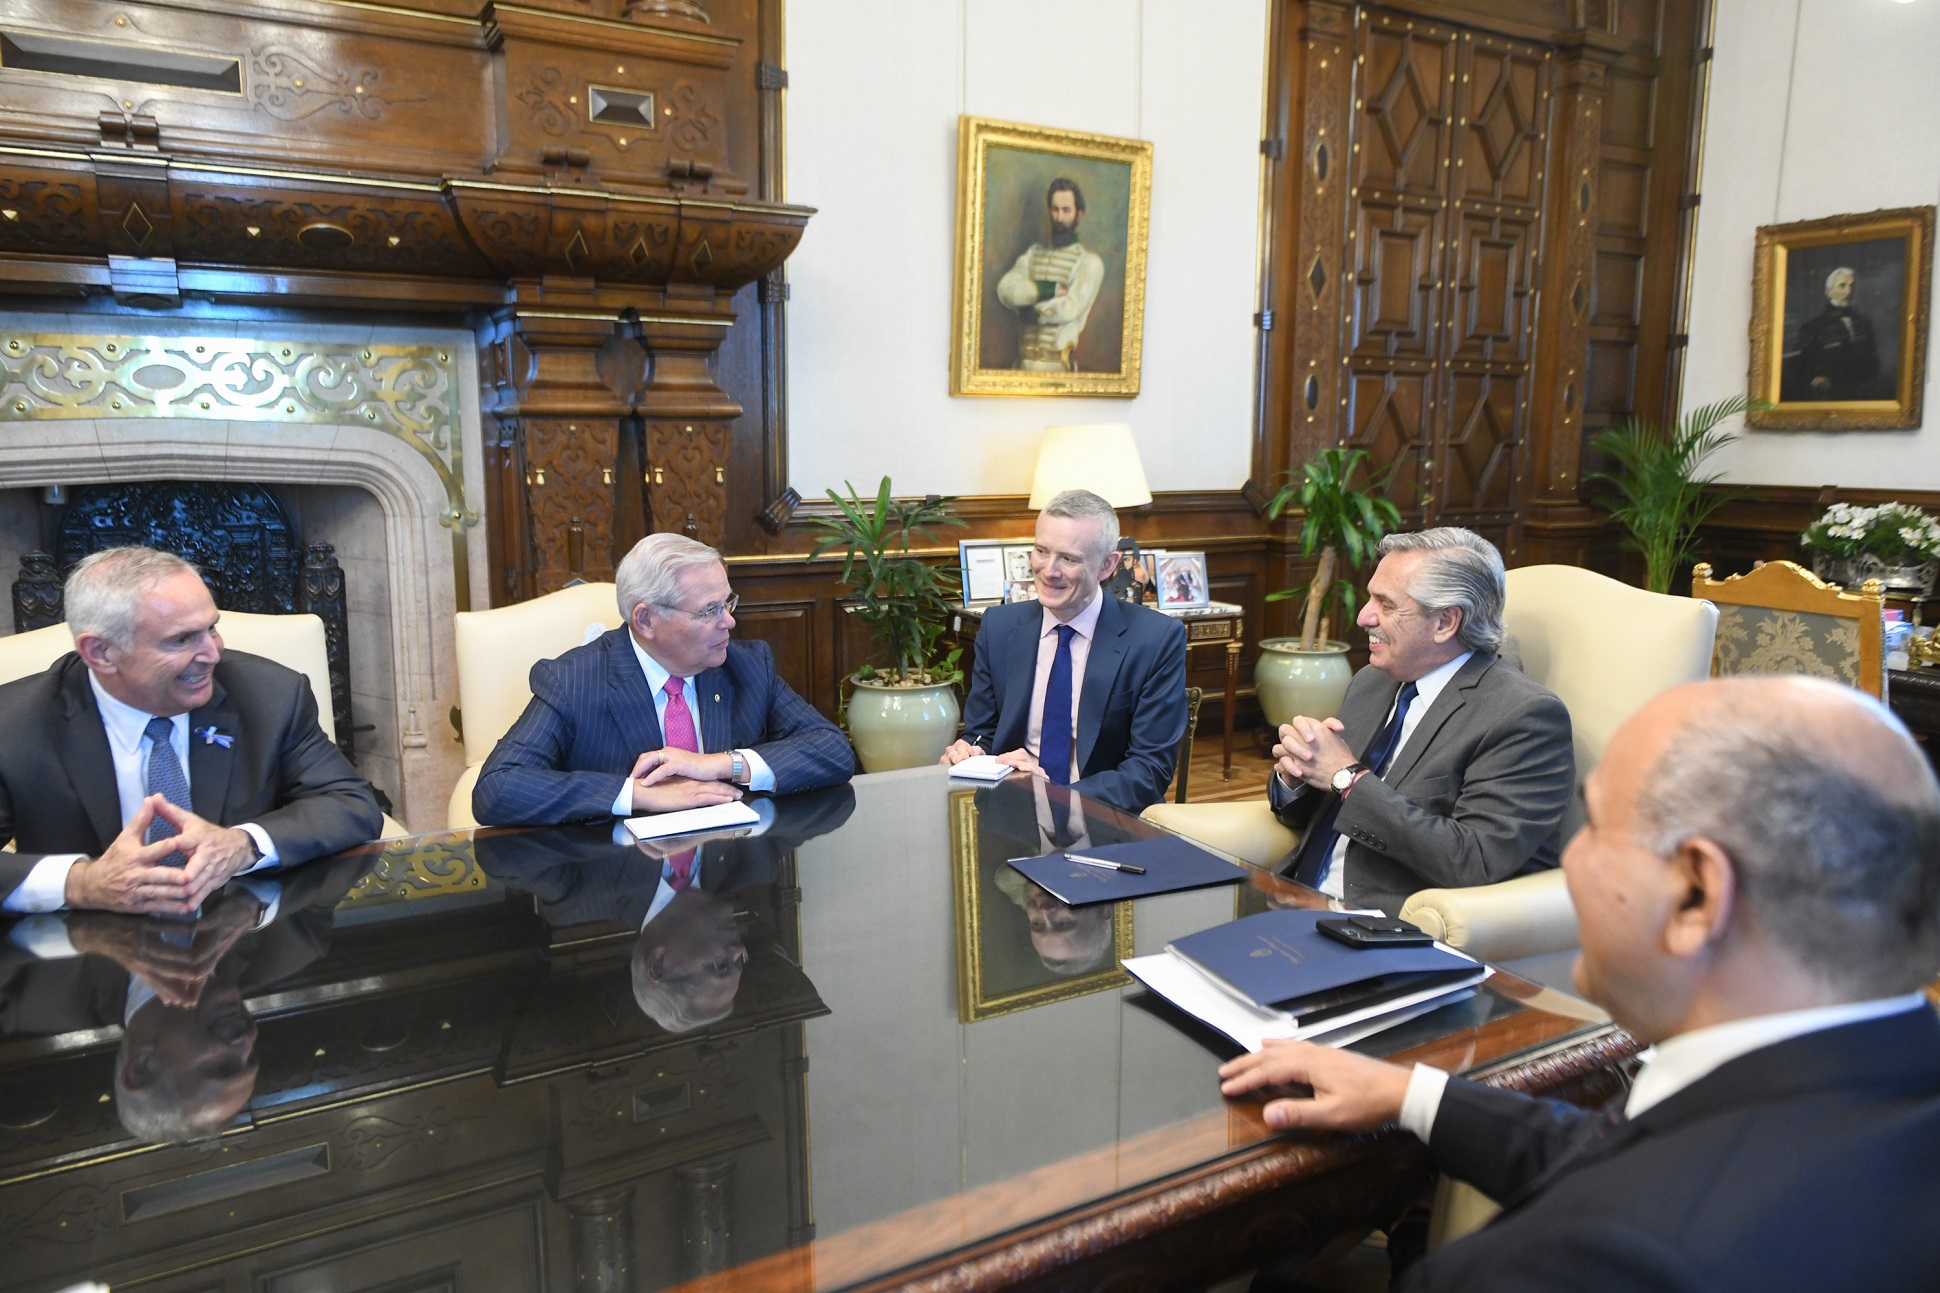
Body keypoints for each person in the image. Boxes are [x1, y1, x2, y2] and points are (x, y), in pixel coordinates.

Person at [1220, 676, 1940, 1291]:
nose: (1570, 862)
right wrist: (1412, 1092)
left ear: (1696, 895)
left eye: (1593, 827)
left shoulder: (1591, 1260)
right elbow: (1627, 1143)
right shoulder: (1875, 1081)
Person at [0, 548, 382, 917]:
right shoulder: (15, 723)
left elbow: (349, 803)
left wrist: (242, 844)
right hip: (83, 952)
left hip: (241, 939)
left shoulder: (270, 695)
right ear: (100, 652)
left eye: (211, 628)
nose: (212, 653)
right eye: (181, 640)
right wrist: (81, 883)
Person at [1269, 528, 1573, 914]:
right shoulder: (1372, 681)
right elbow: (1327, 809)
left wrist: (1346, 776)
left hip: (1384, 927)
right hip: (1292, 898)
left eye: (1387, 604)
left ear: (1445, 622)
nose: (1364, 616)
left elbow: (1473, 860)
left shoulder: (1522, 716)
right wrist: (1297, 777)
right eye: (1370, 597)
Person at [471, 533, 854, 827]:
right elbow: (497, 788)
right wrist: (637, 794)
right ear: (646, 620)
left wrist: (722, 764)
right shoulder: (573, 682)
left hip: (727, 871)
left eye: (728, 603)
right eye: (709, 610)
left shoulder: (747, 666)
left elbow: (833, 750)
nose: (730, 622)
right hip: (622, 892)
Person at [940, 490, 1187, 815]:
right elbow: (983, 734)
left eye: (1068, 558)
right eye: (1041, 551)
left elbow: (1148, 772)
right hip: (1012, 818)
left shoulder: (1155, 640)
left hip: (1108, 823)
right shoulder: (999, 627)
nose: (1048, 570)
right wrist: (970, 753)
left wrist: (1052, 793)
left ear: (1107, 565)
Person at [995, 178, 1107, 372]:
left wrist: (1028, 312)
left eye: (1066, 210)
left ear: (1079, 215)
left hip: (1057, 368)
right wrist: (1048, 290)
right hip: (1020, 367)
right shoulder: (1032, 254)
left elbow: (1070, 308)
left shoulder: (1089, 263)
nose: (1059, 218)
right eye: (1055, 210)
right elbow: (1006, 291)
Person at [1782, 266, 1889, 402]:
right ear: (1829, 292)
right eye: (1842, 286)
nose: (1848, 291)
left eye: (1852, 285)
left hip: (1861, 397)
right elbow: (1795, 371)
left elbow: (1873, 361)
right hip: (1827, 398)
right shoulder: (1812, 327)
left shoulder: (1864, 323)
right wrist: (1813, 381)